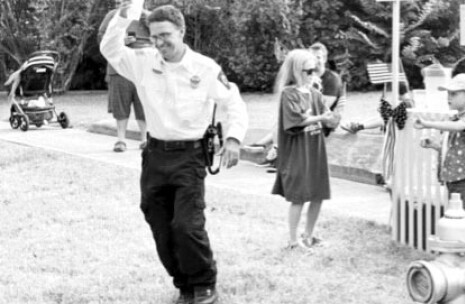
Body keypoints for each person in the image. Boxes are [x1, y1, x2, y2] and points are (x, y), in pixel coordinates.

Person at [100, 3, 248, 304]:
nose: (159, 42)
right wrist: (128, 11)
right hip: (155, 155)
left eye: (165, 35)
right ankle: (184, 285)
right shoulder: (142, 61)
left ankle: (205, 283)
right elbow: (109, 47)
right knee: (159, 224)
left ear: (181, 32)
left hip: (189, 157)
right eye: (154, 36)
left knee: (186, 224)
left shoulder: (205, 68)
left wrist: (233, 139)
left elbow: (233, 103)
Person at [271, 49, 334, 250]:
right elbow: (296, 121)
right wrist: (321, 118)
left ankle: (308, 235)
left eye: (315, 70)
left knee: (318, 194)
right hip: (297, 153)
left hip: (315, 150)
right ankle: (293, 241)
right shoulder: (288, 94)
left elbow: (327, 116)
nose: (313, 75)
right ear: (297, 71)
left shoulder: (315, 94)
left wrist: (332, 118)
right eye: (308, 71)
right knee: (298, 197)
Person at [246, 42, 345, 169]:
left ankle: (271, 149)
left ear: (324, 59)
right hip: (309, 117)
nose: (315, 61)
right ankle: (268, 148)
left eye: (318, 57)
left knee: (289, 118)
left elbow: (321, 107)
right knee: (287, 116)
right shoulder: (307, 77)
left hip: (324, 122)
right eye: (311, 57)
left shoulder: (332, 79)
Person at [414, 74, 465, 217]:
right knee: (453, 218)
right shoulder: (456, 118)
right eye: (448, 93)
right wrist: (435, 145)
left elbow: (457, 126)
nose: (448, 97)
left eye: (454, 94)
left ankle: (463, 239)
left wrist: (427, 123)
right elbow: (454, 149)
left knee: (463, 218)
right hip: (453, 178)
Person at [98, 0, 149, 152]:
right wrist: (121, 41)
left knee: (144, 105)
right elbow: (102, 38)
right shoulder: (112, 15)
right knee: (120, 105)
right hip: (118, 66)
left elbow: (160, 38)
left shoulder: (148, 17)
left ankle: (145, 139)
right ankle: (121, 140)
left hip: (143, 67)